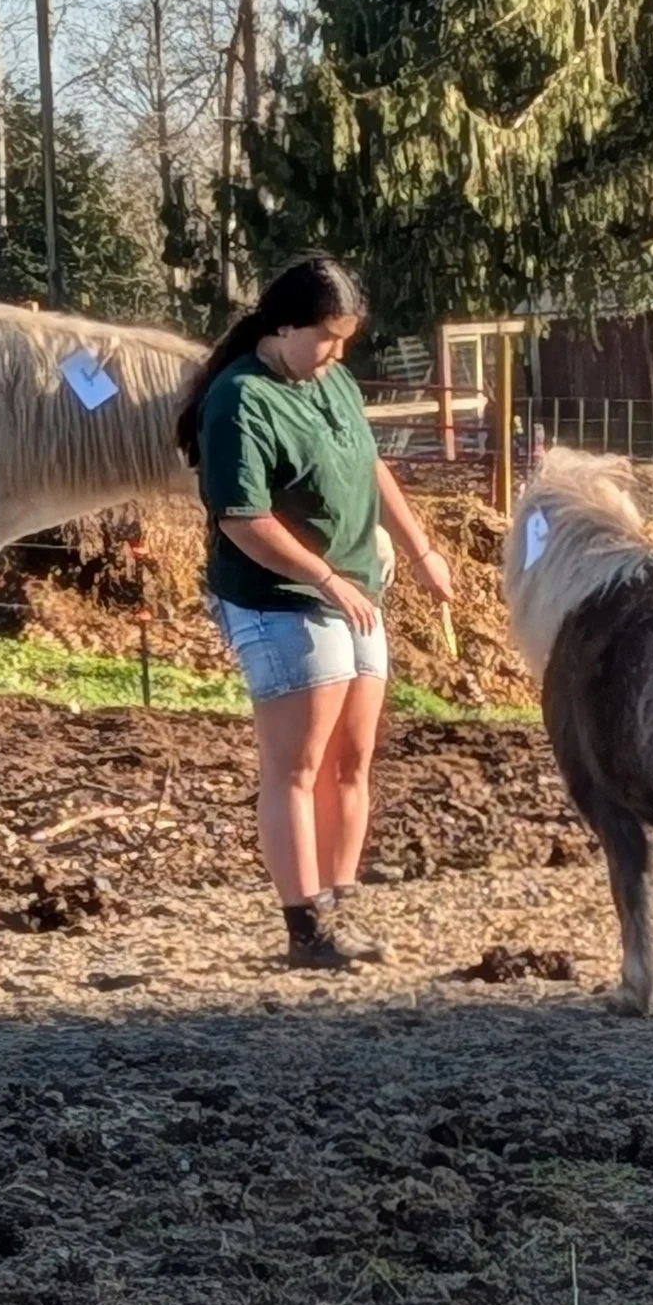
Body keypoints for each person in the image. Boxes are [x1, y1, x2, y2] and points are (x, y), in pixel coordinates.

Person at [177, 253, 455, 970]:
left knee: (351, 760)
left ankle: (341, 901)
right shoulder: (240, 400)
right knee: (296, 765)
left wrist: (420, 547)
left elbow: (370, 464)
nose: (336, 353)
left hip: (355, 590)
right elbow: (242, 517)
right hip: (283, 598)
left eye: (344, 341)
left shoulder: (330, 381)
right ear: (285, 324)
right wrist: (326, 576)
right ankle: (305, 924)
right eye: (327, 337)